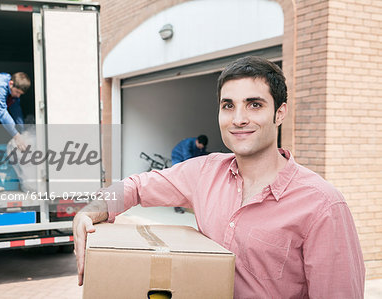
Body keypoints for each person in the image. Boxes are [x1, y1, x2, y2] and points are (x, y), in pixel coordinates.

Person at [73, 56, 365, 298]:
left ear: (279, 113)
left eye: (254, 104)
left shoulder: (323, 205)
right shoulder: (204, 172)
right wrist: (91, 209)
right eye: (228, 105)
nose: (238, 119)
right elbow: (135, 187)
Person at [0, 71, 31, 151]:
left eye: (20, 94)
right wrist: (16, 136)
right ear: (11, 83)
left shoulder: (13, 89)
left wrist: (22, 132)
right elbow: (2, 113)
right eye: (17, 92)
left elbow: (16, 111)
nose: (18, 96)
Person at [171, 135, 208, 213]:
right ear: (197, 141)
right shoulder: (188, 143)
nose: (201, 148)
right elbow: (187, 158)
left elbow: (202, 157)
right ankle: (176, 206)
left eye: (202, 147)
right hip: (178, 158)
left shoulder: (202, 147)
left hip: (189, 161)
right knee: (179, 181)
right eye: (199, 146)